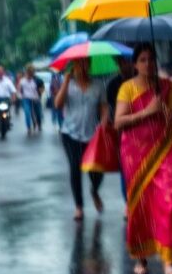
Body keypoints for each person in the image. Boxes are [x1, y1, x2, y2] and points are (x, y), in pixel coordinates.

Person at [114, 43, 172, 274]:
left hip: (165, 152)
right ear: (135, 64)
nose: (148, 64)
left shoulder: (168, 87)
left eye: (151, 59)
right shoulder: (127, 89)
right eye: (143, 60)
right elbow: (119, 123)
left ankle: (169, 262)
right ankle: (141, 256)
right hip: (135, 156)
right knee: (142, 206)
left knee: (169, 203)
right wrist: (148, 112)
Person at [54, 59, 107, 221]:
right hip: (70, 134)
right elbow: (57, 104)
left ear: (90, 65)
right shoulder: (68, 84)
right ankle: (79, 206)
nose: (83, 68)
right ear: (74, 67)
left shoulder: (98, 85)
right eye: (79, 64)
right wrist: (66, 81)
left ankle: (94, 191)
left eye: (86, 64)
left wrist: (103, 124)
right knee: (75, 168)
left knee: (97, 170)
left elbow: (103, 108)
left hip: (93, 134)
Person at [106, 57, 136, 201]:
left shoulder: (144, 80)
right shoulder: (113, 84)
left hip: (143, 130)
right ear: (119, 64)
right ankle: (129, 201)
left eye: (129, 62)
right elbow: (112, 110)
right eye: (123, 62)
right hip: (122, 131)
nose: (126, 65)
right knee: (125, 166)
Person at [18, 65, 43, 134]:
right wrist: (20, 97)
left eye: (31, 72)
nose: (30, 74)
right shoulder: (22, 81)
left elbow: (40, 90)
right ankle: (28, 127)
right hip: (26, 99)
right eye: (29, 72)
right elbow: (19, 90)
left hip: (35, 99)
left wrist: (39, 95)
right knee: (27, 113)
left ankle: (39, 124)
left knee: (38, 113)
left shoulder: (36, 80)